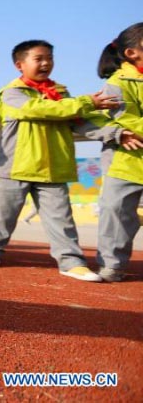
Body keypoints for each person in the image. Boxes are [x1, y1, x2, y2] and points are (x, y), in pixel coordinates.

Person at [0, 40, 123, 282]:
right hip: (14, 166)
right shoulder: (12, 93)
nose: (46, 63)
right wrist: (86, 103)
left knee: (61, 219)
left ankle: (71, 261)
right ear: (20, 65)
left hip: (53, 167)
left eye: (50, 58)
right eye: (39, 58)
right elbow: (39, 109)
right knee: (2, 215)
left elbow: (82, 121)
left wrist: (115, 133)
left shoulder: (63, 95)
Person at [94, 23, 143, 281]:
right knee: (118, 215)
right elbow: (127, 118)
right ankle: (112, 264)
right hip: (124, 162)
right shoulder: (117, 83)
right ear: (131, 53)